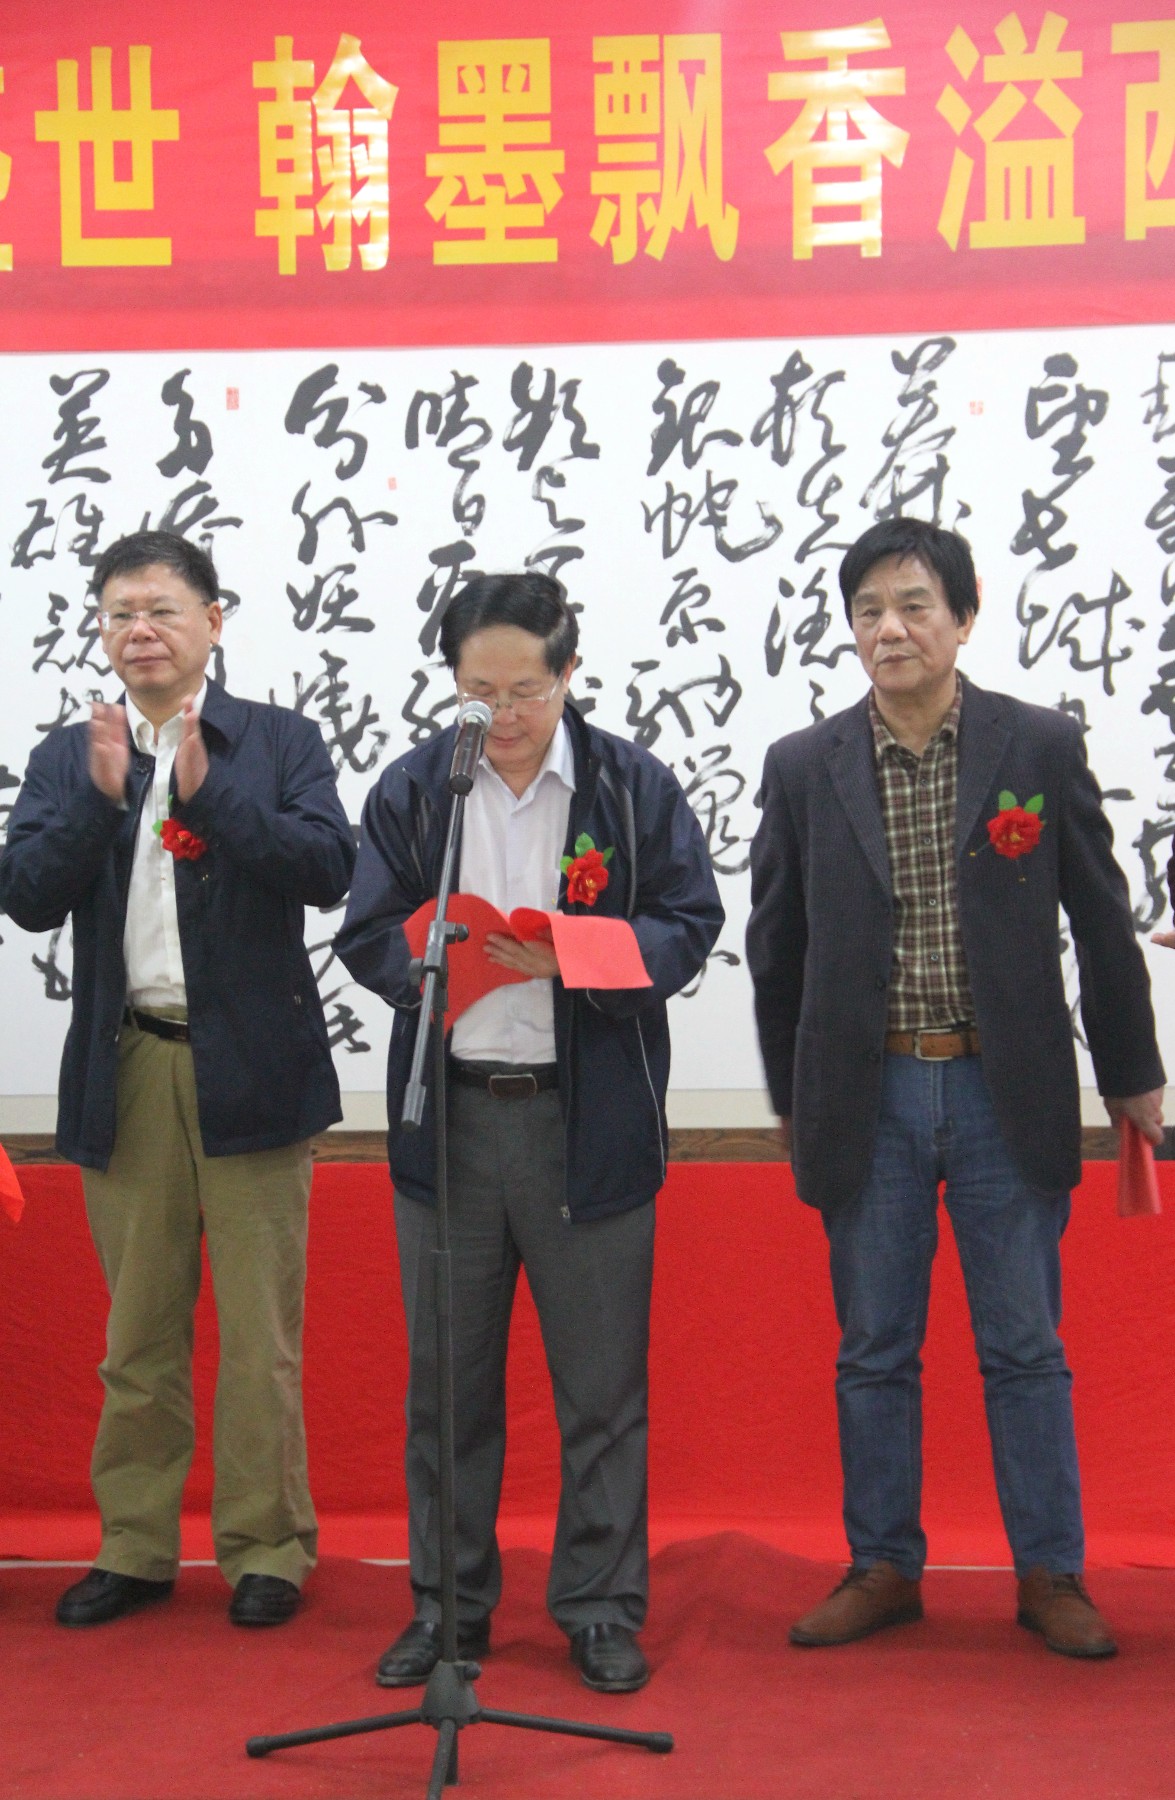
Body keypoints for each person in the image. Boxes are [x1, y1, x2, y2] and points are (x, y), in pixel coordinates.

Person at [746, 517, 1164, 1659]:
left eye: (913, 605)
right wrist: (792, 1092)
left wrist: (1131, 1074)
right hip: (865, 1092)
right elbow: (775, 942)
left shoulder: (1035, 746)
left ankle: (1049, 1573)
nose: (889, 629)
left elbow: (1099, 919)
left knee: (1023, 1345)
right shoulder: (804, 765)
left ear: (963, 618)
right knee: (872, 1346)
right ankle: (882, 1565)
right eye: (867, 610)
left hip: (1000, 1088)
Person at [335, 571, 723, 1693]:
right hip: (452, 1123)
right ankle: (446, 1609)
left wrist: (575, 954)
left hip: (582, 1121)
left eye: (522, 691)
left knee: (599, 1391)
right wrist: (426, 958)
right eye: (476, 692)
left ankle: (597, 1608)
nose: (499, 715)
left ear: (567, 675)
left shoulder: (630, 785)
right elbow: (364, 930)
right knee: (446, 1393)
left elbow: (689, 923)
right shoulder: (420, 787)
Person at [0, 530, 355, 1629]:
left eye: (160, 609)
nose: (139, 630)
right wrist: (100, 800)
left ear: (212, 620)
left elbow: (327, 870)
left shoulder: (279, 741)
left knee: (259, 1338)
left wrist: (210, 796)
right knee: (138, 1336)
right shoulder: (72, 753)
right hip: (129, 1065)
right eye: (119, 613)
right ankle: (136, 1544)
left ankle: (265, 1548)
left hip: (254, 1071)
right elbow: (26, 894)